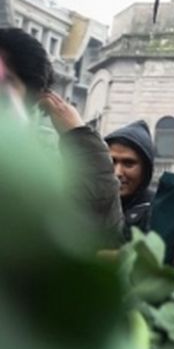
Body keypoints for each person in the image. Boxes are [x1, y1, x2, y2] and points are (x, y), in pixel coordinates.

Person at [0, 27, 122, 242]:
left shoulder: (36, 169)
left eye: (5, 82)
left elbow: (98, 232)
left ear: (32, 96)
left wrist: (80, 137)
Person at [105, 120, 157, 236]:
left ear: (146, 169)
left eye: (128, 163)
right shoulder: (84, 204)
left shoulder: (158, 212)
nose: (117, 172)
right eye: (111, 161)